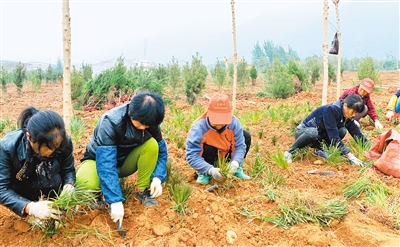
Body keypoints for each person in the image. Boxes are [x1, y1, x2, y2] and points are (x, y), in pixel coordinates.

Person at [76, 91, 168, 227]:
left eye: (147, 126)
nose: (144, 128)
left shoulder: (149, 121)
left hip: (124, 162)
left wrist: (157, 178)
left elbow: (161, 151)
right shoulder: (111, 121)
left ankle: (142, 190)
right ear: (131, 112)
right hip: (97, 162)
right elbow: (106, 164)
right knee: (86, 181)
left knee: (152, 145)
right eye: (141, 124)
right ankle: (97, 194)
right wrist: (115, 200)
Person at [0, 106, 75, 220]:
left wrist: (69, 185)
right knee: (40, 225)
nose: (53, 151)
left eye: (57, 146)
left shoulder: (64, 141)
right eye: (48, 148)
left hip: (54, 193)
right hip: (26, 197)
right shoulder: (7, 148)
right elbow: (2, 189)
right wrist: (31, 207)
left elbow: (68, 169)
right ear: (29, 137)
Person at [283, 94, 369, 167]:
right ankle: (289, 153)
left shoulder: (346, 115)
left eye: (355, 113)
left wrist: (371, 148)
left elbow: (356, 133)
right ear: (345, 105)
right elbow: (334, 137)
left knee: (342, 131)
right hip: (304, 133)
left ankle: (319, 149)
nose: (353, 115)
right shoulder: (331, 110)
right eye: (352, 112)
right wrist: (349, 155)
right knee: (312, 132)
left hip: (320, 134)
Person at [186, 93, 251, 185]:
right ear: (208, 113)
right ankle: (205, 174)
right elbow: (192, 155)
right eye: (216, 120)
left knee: (246, 136)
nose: (219, 125)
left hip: (227, 156)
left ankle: (236, 169)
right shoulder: (199, 129)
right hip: (210, 159)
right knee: (208, 149)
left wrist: (235, 163)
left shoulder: (234, 123)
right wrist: (210, 170)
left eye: (223, 120)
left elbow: (239, 146)